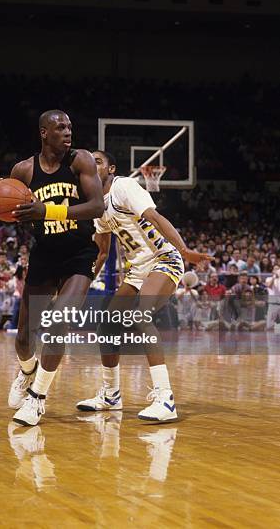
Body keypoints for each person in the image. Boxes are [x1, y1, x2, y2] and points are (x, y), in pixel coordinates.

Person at [76, 151, 210, 422]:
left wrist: (184, 250)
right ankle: (111, 395)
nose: (93, 164)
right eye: (89, 162)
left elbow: (156, 218)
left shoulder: (123, 186)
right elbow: (102, 253)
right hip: (138, 270)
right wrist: (80, 287)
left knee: (140, 314)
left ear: (111, 168)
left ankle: (165, 399)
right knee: (107, 324)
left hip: (165, 258)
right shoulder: (96, 206)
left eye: (98, 161)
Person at [6, 110, 104, 426]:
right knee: (23, 338)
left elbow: (96, 206)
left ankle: (37, 399)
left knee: (58, 323)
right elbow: (10, 210)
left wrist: (46, 210)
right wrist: (1, 200)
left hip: (79, 253)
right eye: (60, 127)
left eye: (70, 126)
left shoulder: (82, 161)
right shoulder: (23, 170)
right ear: (43, 132)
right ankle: (27, 371)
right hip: (45, 253)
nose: (67, 131)